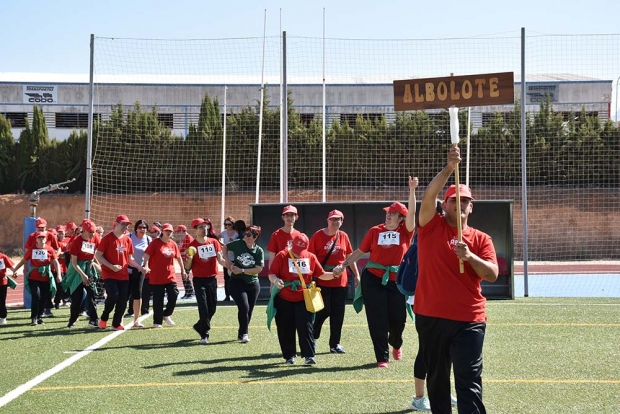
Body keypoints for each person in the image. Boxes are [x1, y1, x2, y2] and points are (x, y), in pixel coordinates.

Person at [414, 146, 498, 414]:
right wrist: (450, 168)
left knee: (469, 380)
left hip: (469, 319)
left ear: (471, 208)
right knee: (437, 380)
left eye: (465, 201)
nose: (460, 204)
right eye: (454, 200)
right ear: (444, 205)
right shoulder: (430, 226)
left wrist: (470, 256)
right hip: (431, 316)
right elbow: (428, 195)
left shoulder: (481, 239)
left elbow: (492, 274)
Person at [333, 177, 418, 368]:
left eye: (393, 213)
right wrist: (343, 265)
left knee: (398, 319)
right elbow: (360, 252)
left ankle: (396, 343)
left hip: (396, 280)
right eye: (388, 212)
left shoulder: (406, 231)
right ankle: (382, 357)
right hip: (373, 278)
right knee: (376, 317)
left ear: (401, 219)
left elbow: (412, 212)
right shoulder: (374, 231)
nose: (388, 215)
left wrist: (412, 190)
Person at [267, 233, 336, 365]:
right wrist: (276, 280)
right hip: (284, 297)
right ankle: (289, 356)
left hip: (303, 297)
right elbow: (272, 273)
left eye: (301, 251)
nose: (298, 254)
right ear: (291, 245)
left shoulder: (310, 257)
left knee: (306, 326)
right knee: (285, 327)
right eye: (296, 251)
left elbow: (321, 274)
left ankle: (309, 356)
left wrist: (335, 274)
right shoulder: (281, 255)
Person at [308, 210, 359, 354]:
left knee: (338, 313)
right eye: (332, 219)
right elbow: (310, 257)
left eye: (338, 219)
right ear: (327, 220)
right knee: (322, 311)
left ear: (342, 221)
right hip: (323, 279)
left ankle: (335, 344)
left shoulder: (343, 236)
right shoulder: (318, 236)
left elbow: (349, 256)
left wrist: (356, 274)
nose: (335, 222)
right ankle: (313, 338)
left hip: (340, 281)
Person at [95, 214, 147, 330]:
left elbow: (130, 259)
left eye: (127, 225)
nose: (125, 227)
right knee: (113, 296)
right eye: (123, 224)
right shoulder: (107, 238)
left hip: (123, 275)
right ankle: (104, 318)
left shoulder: (128, 240)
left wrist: (140, 267)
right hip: (109, 273)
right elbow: (98, 255)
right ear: (116, 224)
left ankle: (116, 323)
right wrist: (111, 266)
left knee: (123, 300)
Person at [184, 218, 226, 343]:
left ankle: (198, 326)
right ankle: (204, 333)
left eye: (205, 226)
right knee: (203, 307)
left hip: (212, 279)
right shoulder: (192, 246)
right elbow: (187, 267)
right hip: (199, 281)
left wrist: (230, 267)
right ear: (195, 230)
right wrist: (190, 258)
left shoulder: (213, 242)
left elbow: (221, 259)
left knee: (212, 308)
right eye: (201, 227)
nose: (204, 229)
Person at [222, 224, 264, 343]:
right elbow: (225, 247)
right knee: (244, 307)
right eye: (245, 234)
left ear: (255, 236)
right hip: (237, 281)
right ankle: (245, 333)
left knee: (249, 310)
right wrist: (227, 260)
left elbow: (258, 269)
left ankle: (241, 332)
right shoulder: (238, 243)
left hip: (253, 283)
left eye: (249, 235)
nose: (246, 236)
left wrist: (243, 270)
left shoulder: (259, 251)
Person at [12, 231, 62, 326]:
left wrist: (59, 274)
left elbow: (56, 262)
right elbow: (24, 260)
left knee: (44, 297)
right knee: (36, 296)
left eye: (43, 238)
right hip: (34, 277)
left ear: (46, 239)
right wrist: (15, 270)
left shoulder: (50, 249)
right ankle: (34, 317)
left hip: (46, 277)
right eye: (39, 238)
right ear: (36, 240)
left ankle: (40, 316)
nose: (42, 239)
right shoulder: (32, 249)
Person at [143, 223, 186, 329]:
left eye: (170, 231)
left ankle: (166, 314)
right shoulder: (155, 243)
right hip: (157, 276)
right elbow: (147, 254)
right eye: (166, 230)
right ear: (162, 231)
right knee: (158, 300)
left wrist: (183, 270)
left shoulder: (173, 244)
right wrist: (146, 265)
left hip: (170, 275)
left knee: (174, 294)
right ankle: (157, 322)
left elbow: (178, 257)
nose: (168, 232)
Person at [64, 219, 101, 328]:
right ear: (83, 231)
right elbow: (74, 262)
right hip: (77, 270)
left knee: (91, 294)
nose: (92, 234)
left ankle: (93, 320)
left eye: (93, 231)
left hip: (89, 268)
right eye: (90, 232)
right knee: (77, 298)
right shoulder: (76, 241)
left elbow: (95, 254)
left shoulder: (95, 238)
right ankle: (72, 319)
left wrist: (98, 266)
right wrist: (82, 275)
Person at [126, 219, 152, 327]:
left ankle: (136, 319)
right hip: (127, 269)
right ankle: (119, 318)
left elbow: (149, 254)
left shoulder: (148, 239)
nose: (142, 229)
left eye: (144, 227)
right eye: (140, 227)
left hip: (140, 270)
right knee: (124, 294)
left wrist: (146, 266)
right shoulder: (129, 237)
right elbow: (126, 255)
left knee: (138, 294)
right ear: (136, 228)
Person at [219, 215, 238, 301]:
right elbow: (216, 238)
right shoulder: (224, 233)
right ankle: (227, 296)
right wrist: (223, 245)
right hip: (226, 258)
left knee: (236, 277)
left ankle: (236, 295)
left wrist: (233, 242)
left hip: (236, 258)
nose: (227, 226)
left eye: (229, 224)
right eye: (225, 224)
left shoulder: (237, 233)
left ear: (233, 224)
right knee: (226, 278)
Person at [175, 224, 195, 299]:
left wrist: (180, 253)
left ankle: (189, 292)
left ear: (182, 231)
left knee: (185, 275)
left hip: (187, 261)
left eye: (178, 232)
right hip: (184, 260)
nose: (177, 233)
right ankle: (189, 292)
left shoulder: (188, 238)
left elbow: (190, 250)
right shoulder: (184, 238)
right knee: (184, 276)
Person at [0, 246, 16, 325]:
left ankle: (3, 317)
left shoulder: (3, 257)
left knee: (2, 301)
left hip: (2, 283)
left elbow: (11, 266)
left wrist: (14, 272)